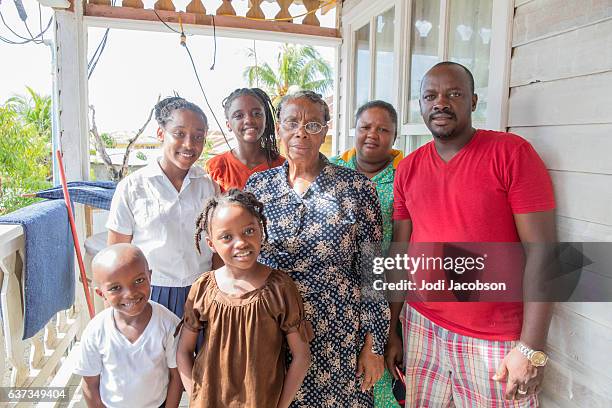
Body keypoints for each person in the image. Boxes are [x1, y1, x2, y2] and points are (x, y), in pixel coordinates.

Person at [385, 62, 556, 407]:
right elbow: (399, 252)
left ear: (474, 101)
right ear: (419, 105)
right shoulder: (408, 168)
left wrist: (531, 347)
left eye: (454, 93)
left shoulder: (511, 154)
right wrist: (391, 329)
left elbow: (544, 252)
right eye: (430, 95)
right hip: (422, 327)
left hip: (496, 339)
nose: (440, 102)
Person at [244, 90, 390, 407]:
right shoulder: (259, 187)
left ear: (325, 130)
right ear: (279, 128)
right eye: (292, 122)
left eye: (312, 125)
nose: (301, 132)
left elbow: (373, 272)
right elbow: (242, 260)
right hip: (273, 327)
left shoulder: (356, 187)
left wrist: (374, 344)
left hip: (339, 332)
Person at [176, 189, 313, 408]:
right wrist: (196, 396)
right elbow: (183, 351)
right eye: (226, 237)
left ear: (261, 231)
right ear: (211, 244)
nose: (240, 243)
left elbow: (301, 356)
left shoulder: (280, 288)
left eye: (249, 231)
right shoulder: (203, 288)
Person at [106, 96, 219, 318]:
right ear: (161, 134)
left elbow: (217, 247)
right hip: (150, 293)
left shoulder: (208, 187)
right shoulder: (132, 187)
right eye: (179, 133)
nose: (189, 144)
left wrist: (216, 289)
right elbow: (117, 254)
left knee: (200, 351)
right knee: (156, 351)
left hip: (202, 290)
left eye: (198, 137)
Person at [331, 100, 403, 408]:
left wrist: (393, 326)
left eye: (383, 129)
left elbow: (402, 251)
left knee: (380, 381)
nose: (373, 135)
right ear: (354, 131)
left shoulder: (404, 177)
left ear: (395, 136)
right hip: (335, 298)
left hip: (384, 295)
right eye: (365, 127)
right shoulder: (332, 171)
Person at [74, 243, 182, 408]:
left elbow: (177, 376)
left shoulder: (168, 324)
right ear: (101, 293)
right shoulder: (96, 331)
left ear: (150, 277)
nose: (130, 293)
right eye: (115, 288)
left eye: (139, 280)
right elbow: (90, 384)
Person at [206, 88, 285, 191]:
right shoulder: (215, 168)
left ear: (265, 119)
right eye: (239, 116)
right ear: (228, 125)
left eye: (257, 113)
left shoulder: (283, 166)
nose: (249, 120)